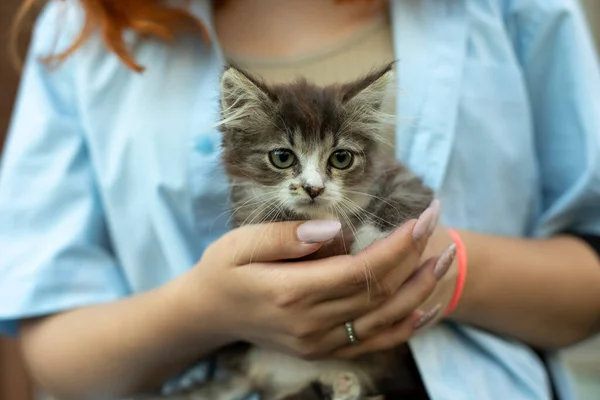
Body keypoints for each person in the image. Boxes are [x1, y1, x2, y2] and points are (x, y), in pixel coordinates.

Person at [1, 0, 600, 399]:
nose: (314, 185)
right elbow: (51, 347)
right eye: (286, 160)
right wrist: (206, 311)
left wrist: (443, 268)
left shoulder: (517, 9)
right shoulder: (80, 24)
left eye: (339, 160)